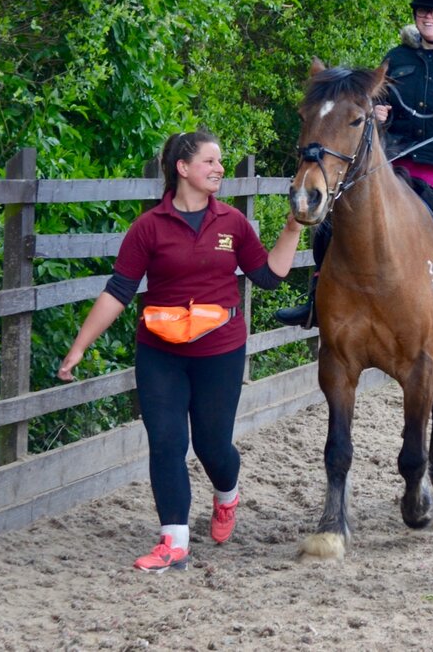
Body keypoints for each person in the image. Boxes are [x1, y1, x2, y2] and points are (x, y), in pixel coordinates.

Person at [58, 130, 304, 572]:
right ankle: (174, 542)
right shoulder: (148, 227)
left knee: (213, 446)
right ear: (183, 168)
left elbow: (268, 277)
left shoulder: (232, 223)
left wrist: (291, 229)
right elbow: (119, 290)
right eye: (210, 161)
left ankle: (227, 495)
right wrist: (80, 346)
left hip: (220, 352)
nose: (219, 169)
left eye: (221, 162)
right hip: (160, 353)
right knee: (167, 442)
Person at [276, 0, 433, 327]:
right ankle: (315, 296)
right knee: (333, 222)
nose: (428, 17)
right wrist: (380, 112)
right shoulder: (398, 57)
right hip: (399, 161)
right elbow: (368, 102)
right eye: (423, 11)